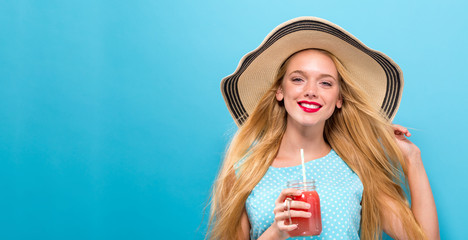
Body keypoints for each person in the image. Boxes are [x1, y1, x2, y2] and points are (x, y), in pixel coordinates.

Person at [208, 17, 439, 240]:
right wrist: (276, 233)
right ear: (280, 91)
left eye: (326, 83)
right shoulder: (243, 172)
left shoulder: (357, 169)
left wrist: (412, 158)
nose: (311, 90)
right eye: (298, 79)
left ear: (339, 98)